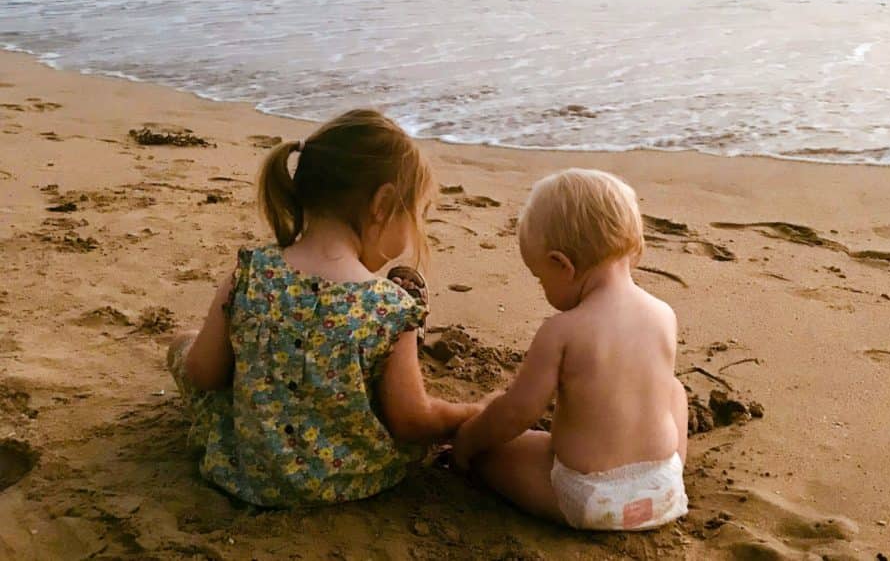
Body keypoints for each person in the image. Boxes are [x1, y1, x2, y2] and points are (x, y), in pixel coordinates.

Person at [167, 109, 480, 507]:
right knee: (382, 360)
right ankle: (383, 359)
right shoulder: (388, 305)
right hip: (350, 479)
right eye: (414, 215)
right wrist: (469, 411)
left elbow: (203, 375)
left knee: (184, 344)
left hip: (248, 473)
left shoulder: (249, 274)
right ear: (382, 204)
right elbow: (411, 419)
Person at [454, 169, 689, 531]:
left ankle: (479, 455)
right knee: (673, 391)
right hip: (663, 493)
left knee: (494, 453)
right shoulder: (663, 314)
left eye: (540, 277)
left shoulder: (561, 331)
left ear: (561, 264)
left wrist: (469, 441)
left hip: (592, 500)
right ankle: (672, 471)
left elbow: (518, 412)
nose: (542, 287)